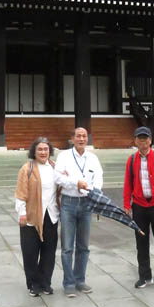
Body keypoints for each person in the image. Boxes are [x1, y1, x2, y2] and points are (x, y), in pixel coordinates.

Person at [54, 127, 103, 297]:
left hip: (86, 203)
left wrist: (90, 189)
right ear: (72, 138)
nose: (82, 139)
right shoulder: (64, 156)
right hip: (69, 202)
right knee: (67, 246)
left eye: (84, 136)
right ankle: (68, 282)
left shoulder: (93, 158)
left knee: (84, 245)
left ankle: (80, 280)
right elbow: (58, 177)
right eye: (78, 136)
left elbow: (99, 178)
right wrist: (76, 182)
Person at [123, 126, 154, 290]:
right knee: (141, 243)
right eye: (140, 138)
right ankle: (144, 276)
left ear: (150, 140)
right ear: (135, 141)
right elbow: (127, 184)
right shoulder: (132, 160)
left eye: (145, 138)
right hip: (139, 206)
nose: (143, 141)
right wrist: (126, 205)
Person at [15, 137, 60, 297]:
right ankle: (33, 283)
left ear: (50, 151)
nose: (43, 152)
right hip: (31, 216)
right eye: (40, 149)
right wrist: (22, 213)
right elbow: (21, 193)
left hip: (51, 214)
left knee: (49, 251)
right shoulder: (27, 169)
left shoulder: (55, 167)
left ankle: (45, 282)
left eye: (46, 149)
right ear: (34, 151)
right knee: (30, 251)